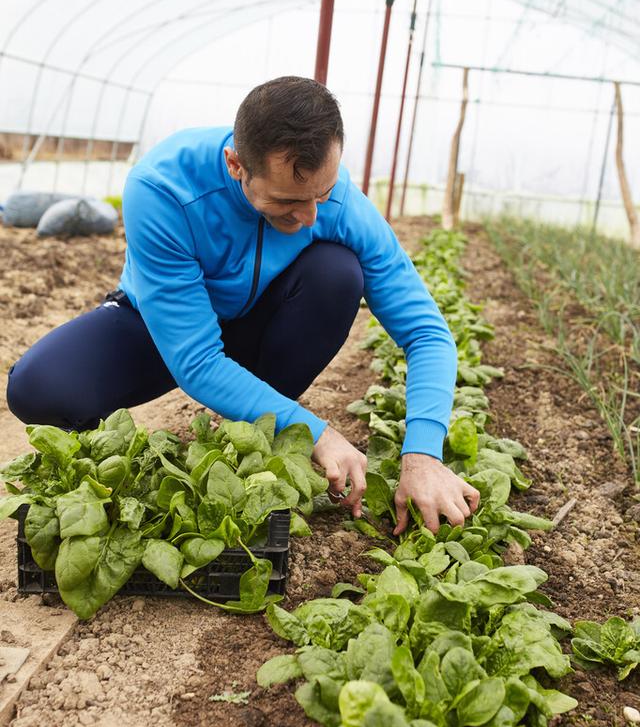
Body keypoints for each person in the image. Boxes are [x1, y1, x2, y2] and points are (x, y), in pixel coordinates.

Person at [6, 75, 479, 534]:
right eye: (287, 200)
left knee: (337, 272)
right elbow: (196, 359)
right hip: (164, 327)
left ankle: (254, 424)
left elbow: (427, 332)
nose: (311, 215)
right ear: (236, 165)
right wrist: (319, 433)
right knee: (38, 388)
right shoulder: (163, 188)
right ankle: (247, 417)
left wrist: (423, 455)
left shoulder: (338, 201)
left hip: (260, 328)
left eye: (322, 193)